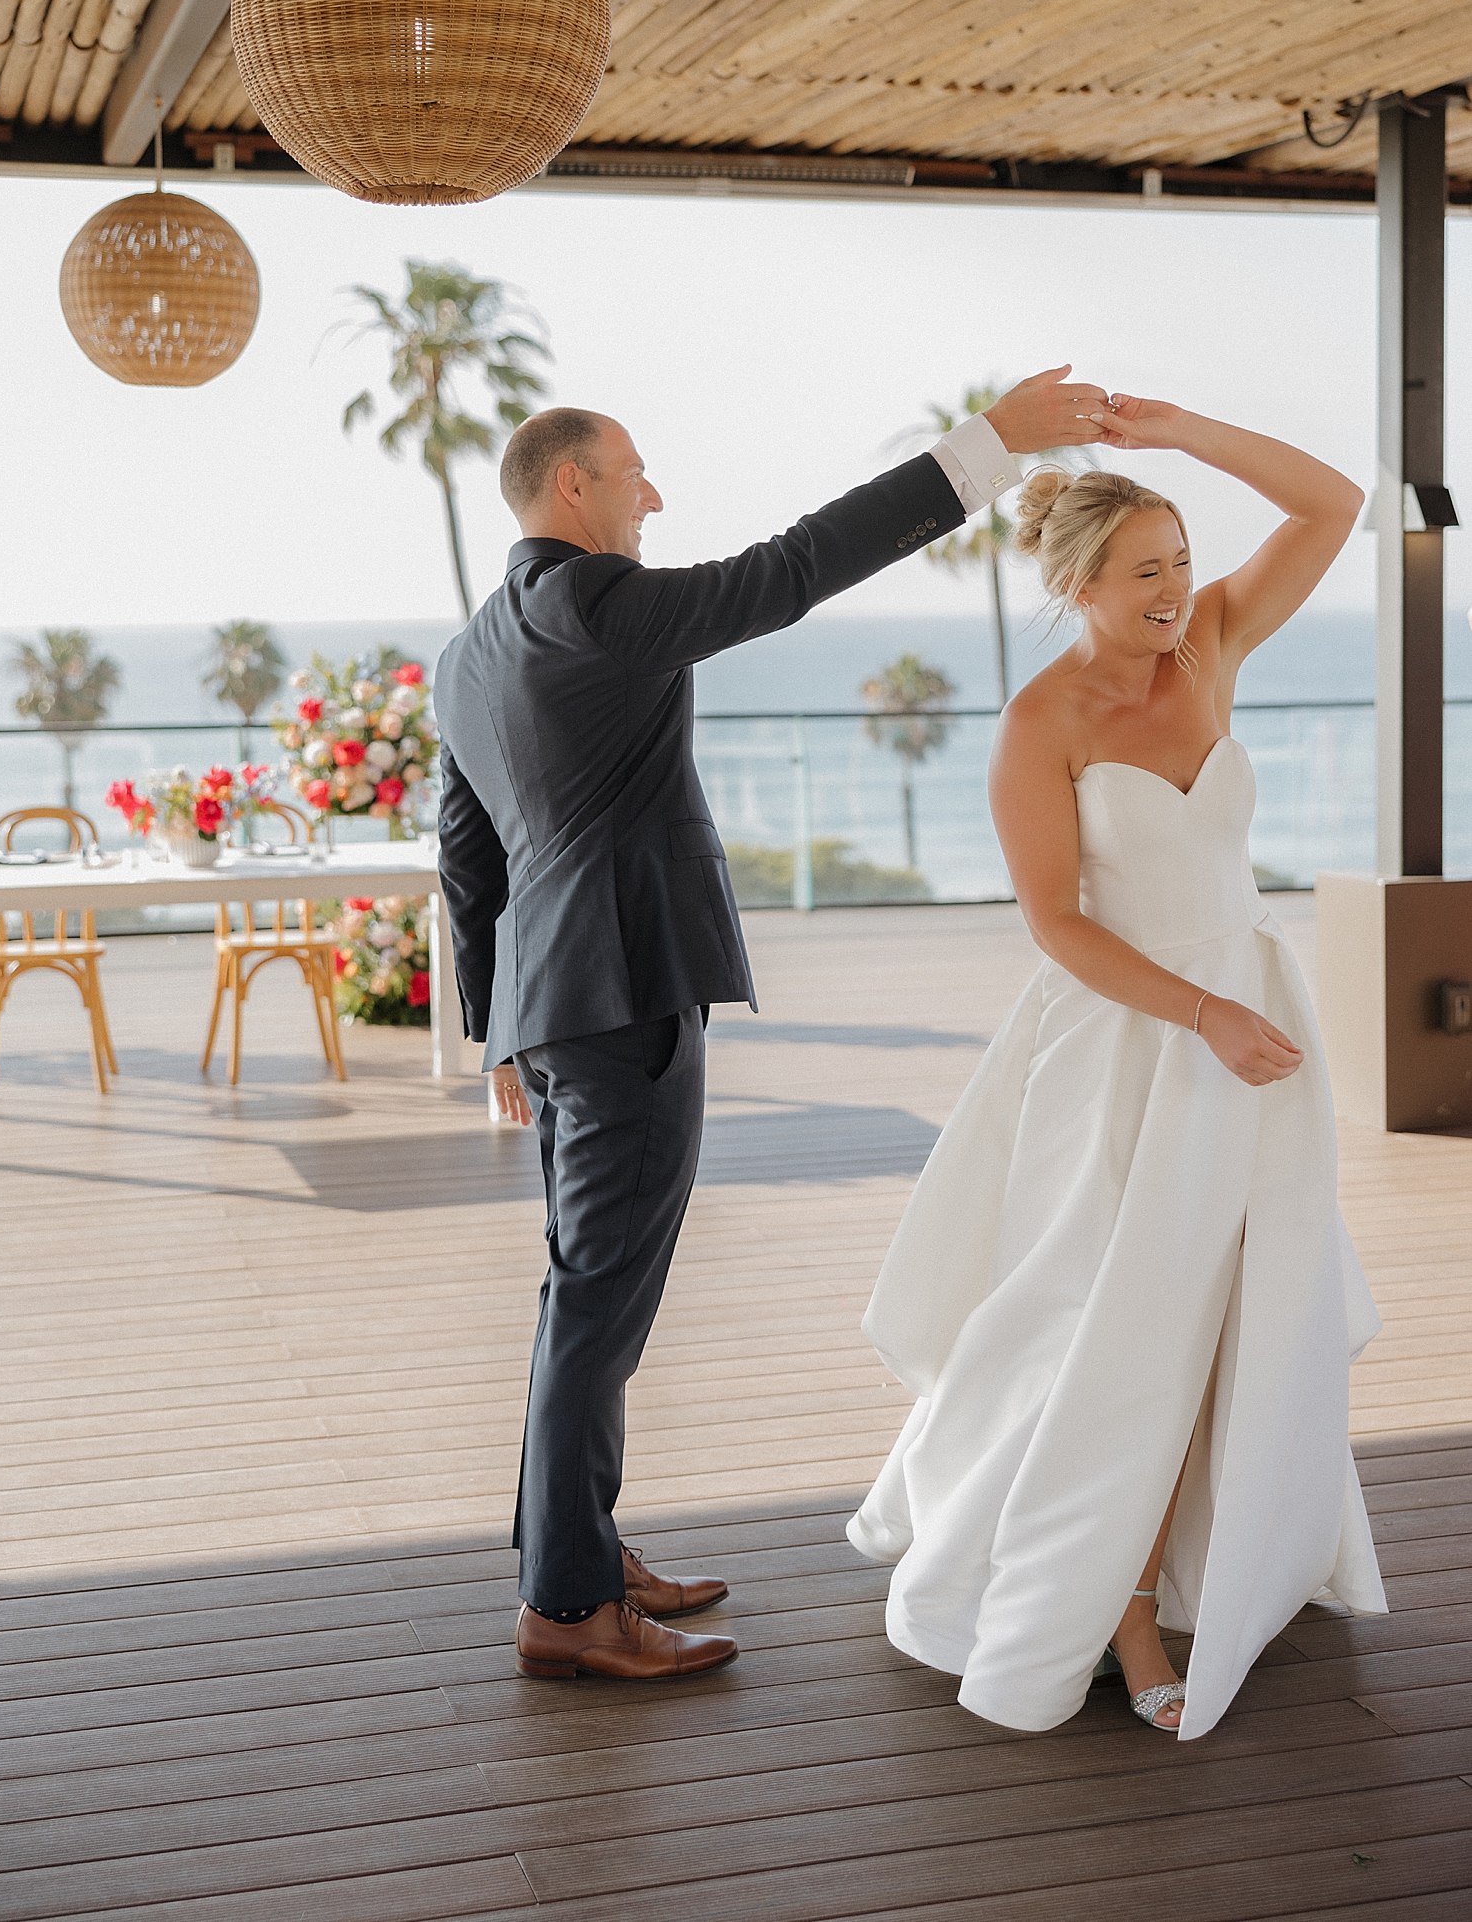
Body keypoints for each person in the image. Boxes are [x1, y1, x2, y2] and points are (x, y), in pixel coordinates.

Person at [433, 373, 1108, 1680]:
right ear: (571, 486)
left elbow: (466, 858)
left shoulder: (471, 649)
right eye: (635, 472)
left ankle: (573, 1549)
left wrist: (496, 1026)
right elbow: (793, 569)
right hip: (627, 994)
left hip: (558, 1008)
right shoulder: (598, 602)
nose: (655, 496)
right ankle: (567, 1608)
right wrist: (983, 451)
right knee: (595, 1303)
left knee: (583, 1295)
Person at [848, 392, 1387, 1739]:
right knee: (1110, 1318)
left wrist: (1179, 433)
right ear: (1081, 583)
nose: (1176, 589)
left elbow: (1335, 504)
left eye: (1185, 560)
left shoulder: (1212, 645)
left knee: (1239, 1300)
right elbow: (1057, 922)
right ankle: (1122, 1601)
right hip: (1130, 1039)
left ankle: (1184, 1558)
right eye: (1146, 571)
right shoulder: (1043, 722)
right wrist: (1199, 1013)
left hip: (1256, 1017)